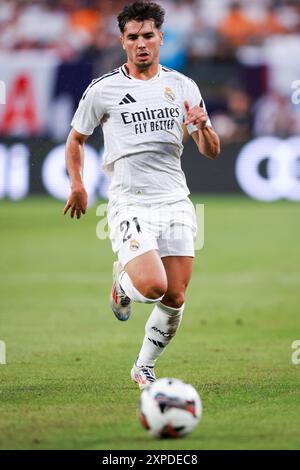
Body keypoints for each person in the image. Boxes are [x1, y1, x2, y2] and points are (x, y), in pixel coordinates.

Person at [64, 0, 220, 390]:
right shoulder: (104, 89)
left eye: (148, 35)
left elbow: (211, 150)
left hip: (176, 200)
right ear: (123, 42)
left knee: (176, 295)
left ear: (160, 38)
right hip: (130, 200)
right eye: (133, 37)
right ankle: (123, 284)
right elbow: (76, 140)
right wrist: (78, 184)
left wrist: (203, 128)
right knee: (153, 286)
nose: (141, 44)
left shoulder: (182, 86)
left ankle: (143, 367)